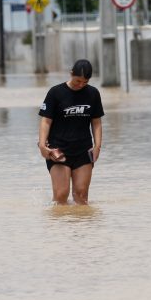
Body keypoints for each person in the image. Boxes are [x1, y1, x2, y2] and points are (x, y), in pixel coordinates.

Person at [38, 59, 104, 205]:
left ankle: (80, 227)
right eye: (77, 81)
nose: (80, 85)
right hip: (58, 150)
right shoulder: (55, 93)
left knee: (81, 196)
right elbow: (46, 121)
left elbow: (96, 122)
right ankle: (60, 226)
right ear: (71, 74)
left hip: (83, 149)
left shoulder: (93, 94)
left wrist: (97, 146)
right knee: (61, 195)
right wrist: (42, 145)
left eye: (85, 82)